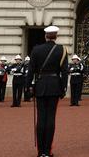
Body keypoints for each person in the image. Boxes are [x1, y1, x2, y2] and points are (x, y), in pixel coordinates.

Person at [28, 25, 69, 157]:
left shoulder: (36, 50)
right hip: (54, 86)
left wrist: (28, 86)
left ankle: (40, 152)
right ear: (56, 36)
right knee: (50, 118)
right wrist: (63, 88)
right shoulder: (61, 50)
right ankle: (47, 150)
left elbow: (30, 71)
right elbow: (65, 72)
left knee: (41, 118)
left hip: (40, 86)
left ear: (45, 36)